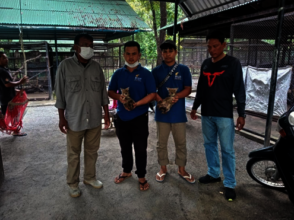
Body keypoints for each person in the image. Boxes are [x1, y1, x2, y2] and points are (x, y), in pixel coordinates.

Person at [190, 30, 246, 201]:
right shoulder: (206, 64)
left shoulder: (233, 63)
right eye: (209, 46)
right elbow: (201, 88)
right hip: (206, 113)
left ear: (224, 45)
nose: (212, 49)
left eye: (215, 46)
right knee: (209, 145)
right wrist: (195, 107)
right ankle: (213, 173)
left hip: (224, 115)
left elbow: (239, 89)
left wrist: (241, 114)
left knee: (227, 150)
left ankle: (229, 183)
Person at [55, 33, 110, 198]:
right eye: (85, 44)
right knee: (73, 154)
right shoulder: (65, 66)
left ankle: (90, 178)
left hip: (94, 118)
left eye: (91, 45)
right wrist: (61, 118)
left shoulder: (96, 67)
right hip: (74, 119)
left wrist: (106, 115)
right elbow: (60, 95)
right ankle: (73, 184)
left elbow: (103, 94)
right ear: (76, 47)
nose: (89, 48)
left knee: (92, 151)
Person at [108, 41, 156, 191]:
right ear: (124, 55)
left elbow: (152, 94)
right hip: (122, 117)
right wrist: (119, 97)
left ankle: (141, 175)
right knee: (125, 147)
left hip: (140, 117)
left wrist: (138, 103)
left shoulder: (146, 74)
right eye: (127, 54)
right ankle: (126, 171)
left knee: (141, 148)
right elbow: (110, 91)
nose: (130, 57)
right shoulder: (118, 73)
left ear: (139, 55)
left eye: (133, 53)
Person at [152, 40, 195, 184]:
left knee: (181, 143)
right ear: (161, 53)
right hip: (162, 114)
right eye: (164, 52)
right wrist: (160, 100)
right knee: (161, 143)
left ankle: (181, 169)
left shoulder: (183, 69)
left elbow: (188, 89)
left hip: (178, 114)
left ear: (175, 52)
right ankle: (163, 168)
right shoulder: (156, 71)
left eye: (170, 51)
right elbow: (152, 91)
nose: (167, 54)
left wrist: (176, 96)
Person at [0, 52, 28, 136]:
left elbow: (5, 86)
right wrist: (20, 82)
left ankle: (15, 130)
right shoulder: (1, 71)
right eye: (4, 58)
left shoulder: (5, 70)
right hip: (6, 98)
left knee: (12, 114)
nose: (6, 59)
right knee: (9, 114)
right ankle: (15, 131)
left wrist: (16, 90)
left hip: (7, 96)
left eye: (6, 58)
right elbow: (7, 84)